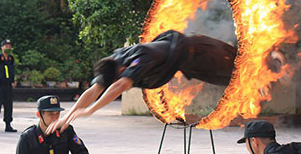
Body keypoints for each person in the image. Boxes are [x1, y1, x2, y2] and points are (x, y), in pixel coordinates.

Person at [47, 30, 237, 132]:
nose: (117, 82)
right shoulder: (113, 63)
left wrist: (91, 110)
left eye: (117, 78)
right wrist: (68, 116)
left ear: (122, 70)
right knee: (229, 79)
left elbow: (120, 86)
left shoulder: (139, 58)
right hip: (187, 64)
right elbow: (94, 90)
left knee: (237, 69)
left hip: (200, 52)